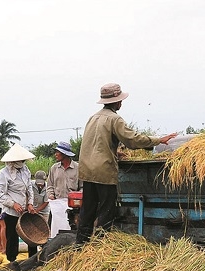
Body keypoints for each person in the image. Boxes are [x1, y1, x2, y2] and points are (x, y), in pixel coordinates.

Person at [76, 83, 178, 245]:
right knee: (106, 212)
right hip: (104, 172)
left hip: (87, 172)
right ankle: (100, 247)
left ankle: (80, 245)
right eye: (120, 100)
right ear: (116, 102)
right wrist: (158, 140)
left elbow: (96, 144)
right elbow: (132, 140)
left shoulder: (93, 118)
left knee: (87, 212)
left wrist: (114, 152)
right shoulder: (115, 119)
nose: (121, 103)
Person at [0, 143, 36, 261]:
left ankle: (32, 261)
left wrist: (30, 203)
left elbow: (29, 188)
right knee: (12, 238)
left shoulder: (25, 170)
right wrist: (13, 204)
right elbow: (0, 194)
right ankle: (12, 262)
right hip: (11, 212)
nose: (22, 162)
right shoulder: (4, 173)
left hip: (25, 210)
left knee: (30, 235)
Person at [46, 141, 81, 238]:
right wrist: (51, 195)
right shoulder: (54, 168)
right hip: (57, 205)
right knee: (54, 229)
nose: (55, 154)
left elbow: (82, 187)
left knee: (73, 230)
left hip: (74, 207)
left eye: (58, 152)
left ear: (64, 154)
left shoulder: (78, 168)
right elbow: (49, 186)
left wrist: (77, 197)